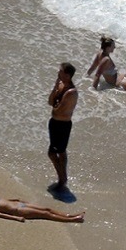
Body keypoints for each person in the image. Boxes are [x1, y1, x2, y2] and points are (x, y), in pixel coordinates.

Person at [47, 62, 78, 194]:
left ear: (67, 75)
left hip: (62, 125)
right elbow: (50, 102)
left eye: (60, 71)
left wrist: (55, 105)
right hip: (54, 123)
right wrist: (55, 88)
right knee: (57, 152)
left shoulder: (71, 92)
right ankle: (62, 177)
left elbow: (59, 110)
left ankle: (62, 178)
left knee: (55, 152)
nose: (58, 73)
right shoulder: (60, 86)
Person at [0, 193, 85, 223]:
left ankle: (69, 215)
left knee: (47, 209)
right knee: (46, 215)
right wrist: (16, 218)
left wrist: (16, 199)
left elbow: (4, 201)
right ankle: (72, 220)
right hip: (18, 211)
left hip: (19, 204)